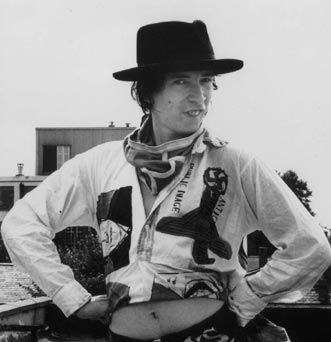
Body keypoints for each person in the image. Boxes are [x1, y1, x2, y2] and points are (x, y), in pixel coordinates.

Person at [2, 20, 331, 342]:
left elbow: (310, 246)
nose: (198, 96)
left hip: (211, 331)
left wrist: (245, 301)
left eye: (206, 81)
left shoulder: (233, 162)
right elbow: (20, 224)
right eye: (181, 81)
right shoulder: (100, 165)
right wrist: (71, 296)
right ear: (148, 91)